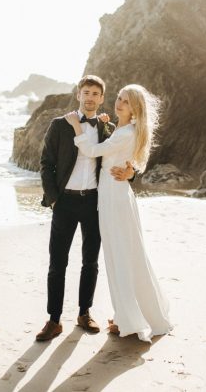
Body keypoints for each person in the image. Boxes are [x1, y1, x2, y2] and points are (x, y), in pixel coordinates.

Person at [64, 84, 172, 342]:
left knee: (119, 257)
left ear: (135, 108)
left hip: (114, 197)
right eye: (119, 98)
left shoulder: (126, 133)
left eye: (126, 101)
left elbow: (91, 151)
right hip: (116, 194)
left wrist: (76, 127)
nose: (119, 103)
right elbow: (116, 150)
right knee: (126, 255)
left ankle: (128, 319)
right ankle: (131, 314)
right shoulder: (123, 130)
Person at [36, 75, 135, 342]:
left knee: (90, 262)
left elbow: (125, 157)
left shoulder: (108, 128)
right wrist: (54, 198)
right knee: (58, 263)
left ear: (102, 98)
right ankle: (54, 320)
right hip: (64, 202)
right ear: (78, 94)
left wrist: (130, 174)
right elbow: (46, 164)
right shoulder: (59, 125)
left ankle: (84, 313)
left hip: (94, 202)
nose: (90, 97)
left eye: (95, 94)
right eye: (86, 92)